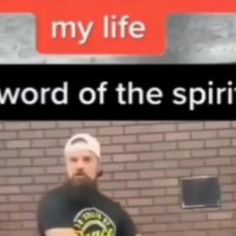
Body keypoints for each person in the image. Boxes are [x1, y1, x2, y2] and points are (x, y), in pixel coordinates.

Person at [37, 133, 137, 236]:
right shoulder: (53, 203)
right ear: (67, 167)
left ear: (98, 166)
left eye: (87, 159)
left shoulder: (114, 210)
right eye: (73, 160)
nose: (79, 166)